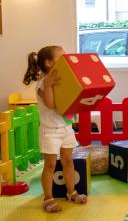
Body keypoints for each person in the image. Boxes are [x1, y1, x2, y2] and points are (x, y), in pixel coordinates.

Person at [23, 46, 87, 212]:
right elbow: (51, 105)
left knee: (68, 161)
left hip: (66, 128)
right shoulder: (42, 83)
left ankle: (71, 192)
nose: (66, 60)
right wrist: (49, 85)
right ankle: (48, 198)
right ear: (49, 63)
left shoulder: (64, 81)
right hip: (50, 131)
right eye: (61, 58)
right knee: (50, 164)